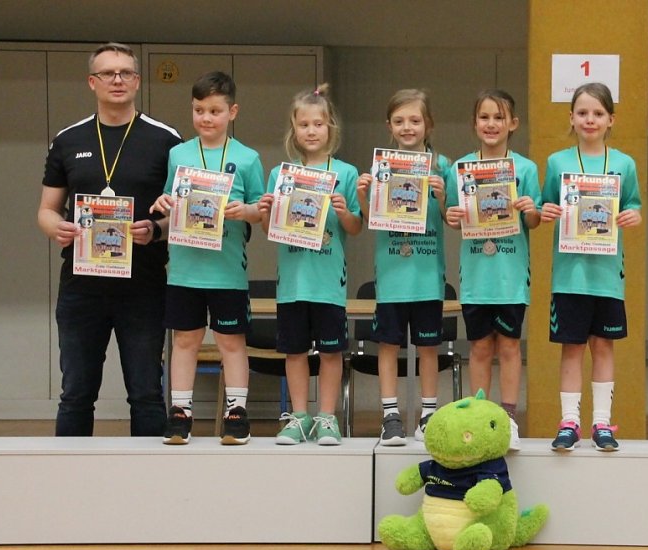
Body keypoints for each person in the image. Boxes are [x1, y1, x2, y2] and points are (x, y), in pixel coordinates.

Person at [37, 42, 181, 436]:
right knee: (76, 394)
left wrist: (154, 230)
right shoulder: (68, 140)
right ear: (92, 82)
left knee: (147, 393)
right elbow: (47, 210)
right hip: (82, 287)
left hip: (144, 285)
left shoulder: (166, 140)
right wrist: (56, 227)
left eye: (125, 73)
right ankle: (70, 484)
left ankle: (149, 487)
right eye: (107, 73)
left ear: (137, 80)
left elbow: (179, 217)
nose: (117, 80)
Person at [150, 71, 264, 445]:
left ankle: (237, 413)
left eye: (215, 110)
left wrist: (243, 210)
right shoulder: (178, 154)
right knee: (185, 341)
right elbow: (169, 205)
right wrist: (162, 204)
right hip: (184, 268)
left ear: (232, 111)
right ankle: (180, 412)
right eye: (199, 110)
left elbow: (263, 212)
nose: (206, 118)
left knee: (231, 341)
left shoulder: (248, 158)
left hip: (227, 270)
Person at [258, 84, 362, 446]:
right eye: (304, 125)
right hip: (292, 283)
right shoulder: (280, 175)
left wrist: (345, 211)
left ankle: (326, 417)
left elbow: (356, 227)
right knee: (295, 351)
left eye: (318, 124)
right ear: (294, 129)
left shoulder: (345, 173)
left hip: (329, 283)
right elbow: (269, 229)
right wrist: (268, 211)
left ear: (330, 127)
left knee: (332, 353)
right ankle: (299, 416)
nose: (312, 131)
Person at [540, 83, 642, 452]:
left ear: (610, 119)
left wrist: (633, 216)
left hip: (606, 276)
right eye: (582, 112)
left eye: (598, 113)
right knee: (571, 347)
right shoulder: (557, 162)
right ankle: (569, 421)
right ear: (571, 118)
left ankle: (602, 422)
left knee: (603, 346)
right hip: (569, 275)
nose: (590, 119)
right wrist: (545, 211)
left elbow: (634, 204)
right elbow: (543, 205)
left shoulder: (624, 164)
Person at [445, 89, 542, 451]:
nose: (491, 124)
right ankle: (481, 415)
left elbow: (534, 221)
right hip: (476, 277)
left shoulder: (526, 168)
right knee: (480, 348)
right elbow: (455, 218)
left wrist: (530, 207)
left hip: (510, 276)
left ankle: (509, 417)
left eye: (498, 117)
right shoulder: (461, 168)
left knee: (511, 347)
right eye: (484, 117)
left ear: (512, 124)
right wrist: (452, 216)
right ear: (475, 124)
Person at [355, 89, 451, 446]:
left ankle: (428, 415)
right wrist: (364, 194)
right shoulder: (381, 167)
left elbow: (454, 220)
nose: (407, 127)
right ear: (389, 126)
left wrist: (443, 196)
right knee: (388, 346)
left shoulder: (443, 166)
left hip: (427, 276)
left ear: (428, 124)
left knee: (429, 348)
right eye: (399, 121)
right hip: (392, 275)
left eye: (414, 120)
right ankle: (390, 416)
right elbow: (368, 221)